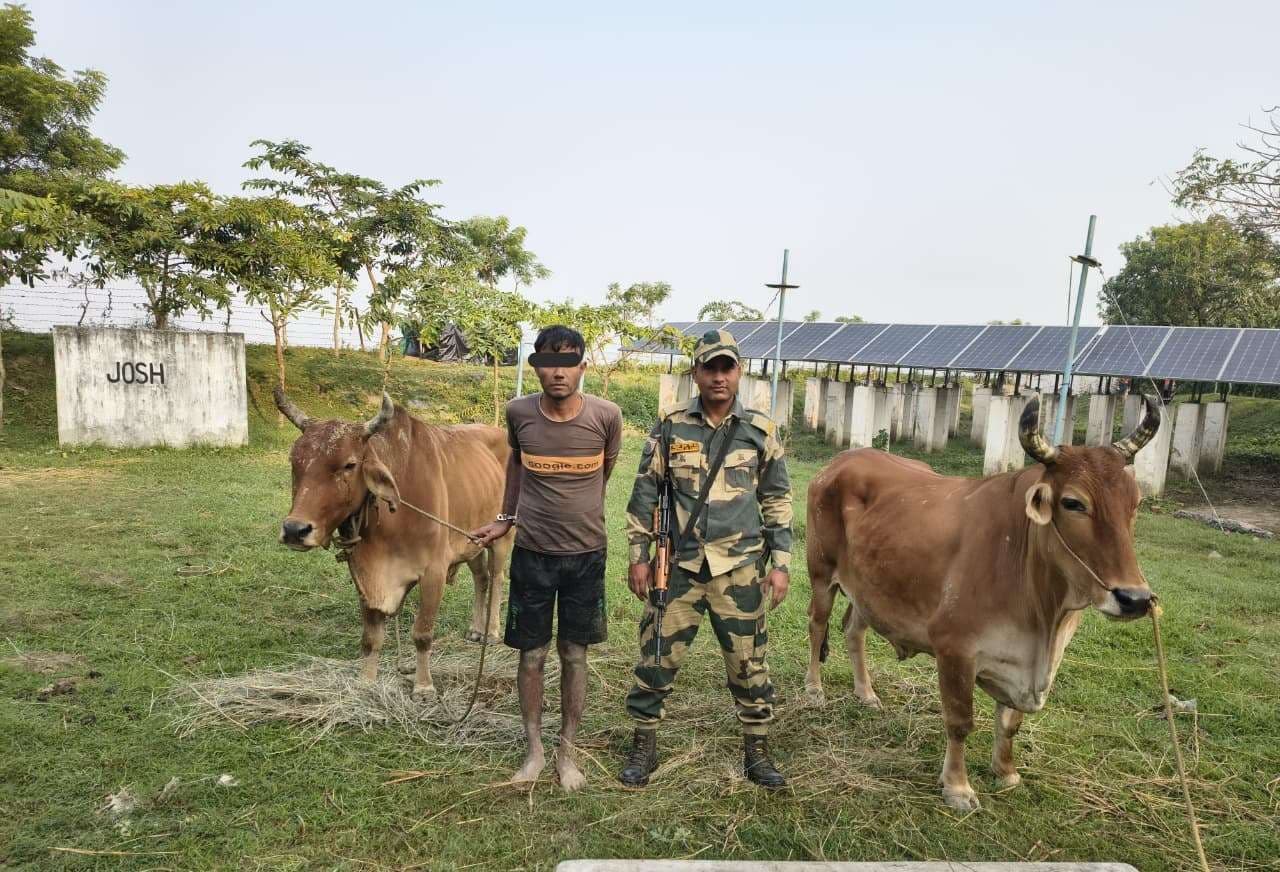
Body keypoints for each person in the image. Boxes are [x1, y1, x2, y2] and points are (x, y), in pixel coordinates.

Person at [618, 329, 794, 790]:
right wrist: (638, 555)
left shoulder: (761, 431)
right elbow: (644, 493)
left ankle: (757, 749)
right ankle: (645, 744)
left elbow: (777, 499)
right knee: (656, 656)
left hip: (739, 568)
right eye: (709, 367)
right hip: (678, 567)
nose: (719, 377)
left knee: (749, 663)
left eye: (727, 367)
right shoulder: (671, 425)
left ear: (739, 372)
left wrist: (781, 565)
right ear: (695, 373)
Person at [471, 325, 622, 792]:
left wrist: (578, 512)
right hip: (532, 555)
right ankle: (535, 749)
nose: (557, 372)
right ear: (535, 366)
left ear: (582, 366)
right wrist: (506, 516)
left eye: (568, 361)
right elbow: (516, 463)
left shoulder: (607, 416)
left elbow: (606, 470)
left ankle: (567, 750)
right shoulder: (518, 413)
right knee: (531, 655)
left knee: (574, 655)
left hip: (586, 555)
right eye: (547, 363)